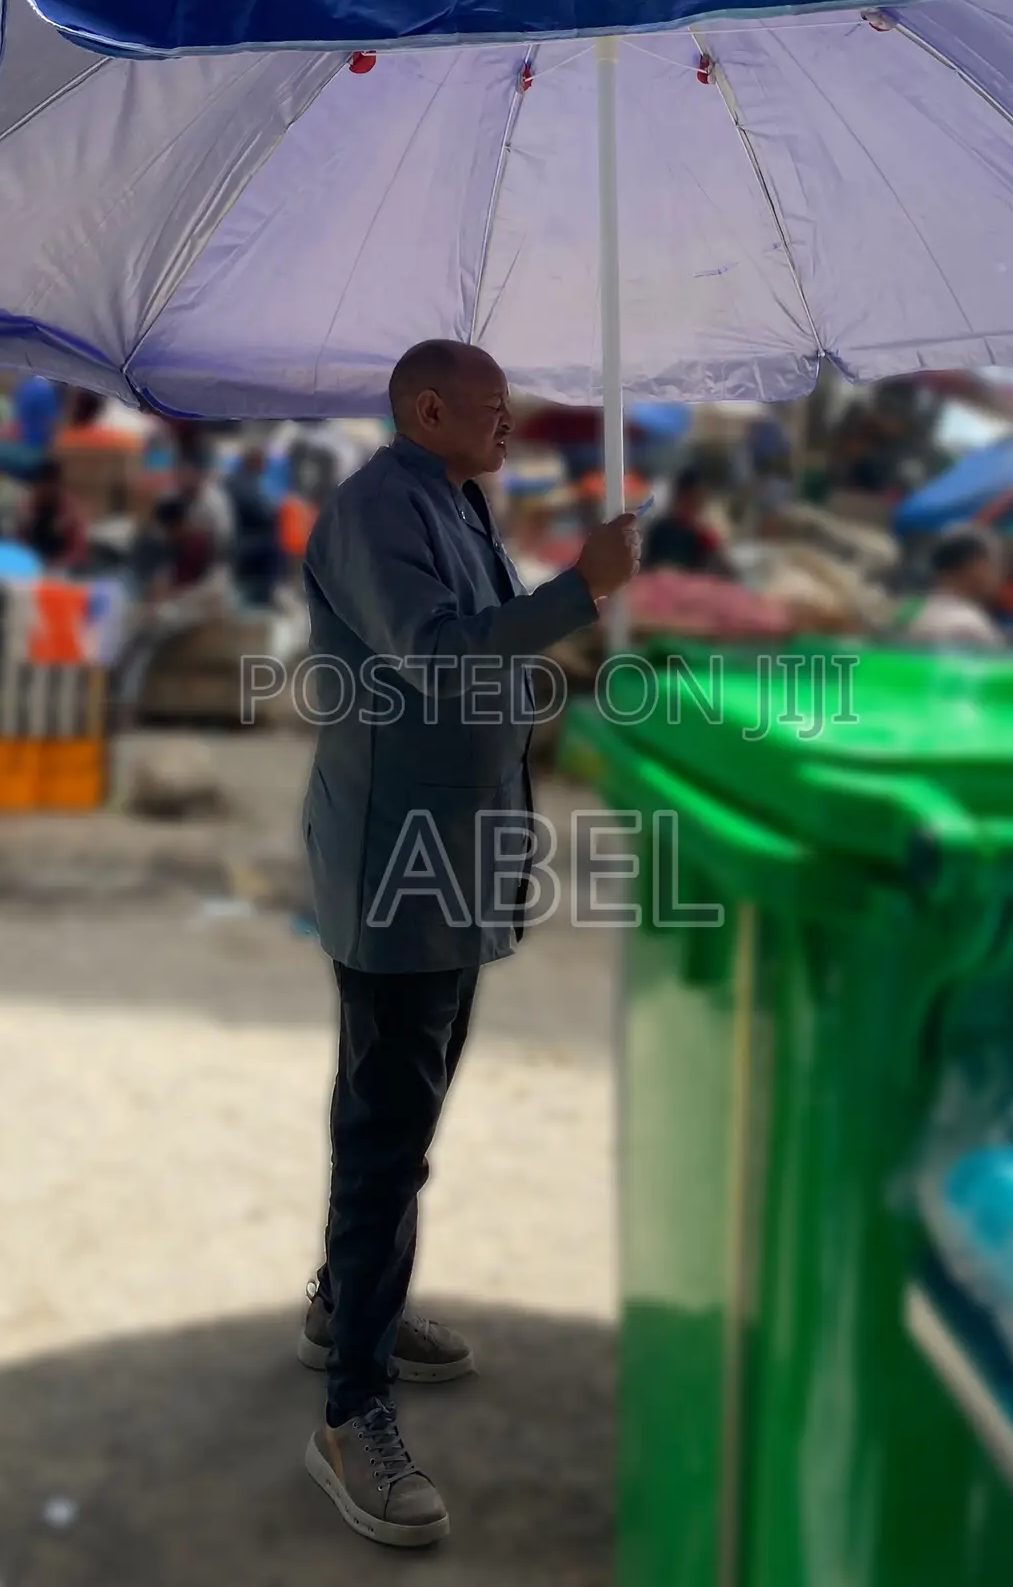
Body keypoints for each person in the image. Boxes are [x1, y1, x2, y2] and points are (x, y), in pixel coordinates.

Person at [297, 340, 639, 1549]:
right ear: (429, 408)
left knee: (400, 1112)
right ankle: (352, 1414)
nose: (512, 428)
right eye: (494, 411)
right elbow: (439, 652)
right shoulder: (375, 510)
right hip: (399, 870)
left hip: (453, 862)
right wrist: (579, 592)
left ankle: (351, 1306)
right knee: (388, 1129)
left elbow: (476, 648)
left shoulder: (454, 499)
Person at [901, 528, 1006, 648]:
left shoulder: (908, 611)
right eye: (993, 565)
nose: (998, 574)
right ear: (975, 566)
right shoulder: (966, 626)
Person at [643, 466, 729, 576]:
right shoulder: (659, 532)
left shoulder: (704, 537)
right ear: (678, 497)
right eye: (691, 498)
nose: (695, 504)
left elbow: (724, 572)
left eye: (699, 499)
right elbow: (647, 571)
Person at [227, 443, 282, 606]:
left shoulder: (240, 478)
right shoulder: (243, 482)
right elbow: (261, 511)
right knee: (275, 548)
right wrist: (277, 511)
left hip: (242, 533)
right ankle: (262, 597)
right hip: (243, 538)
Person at [16, 458, 89, 572]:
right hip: (31, 566)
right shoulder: (28, 507)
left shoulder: (69, 510)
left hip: (62, 567)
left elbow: (79, 550)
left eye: (49, 485)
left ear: (57, 485)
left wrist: (59, 565)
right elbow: (17, 544)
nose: (45, 490)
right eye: (41, 485)